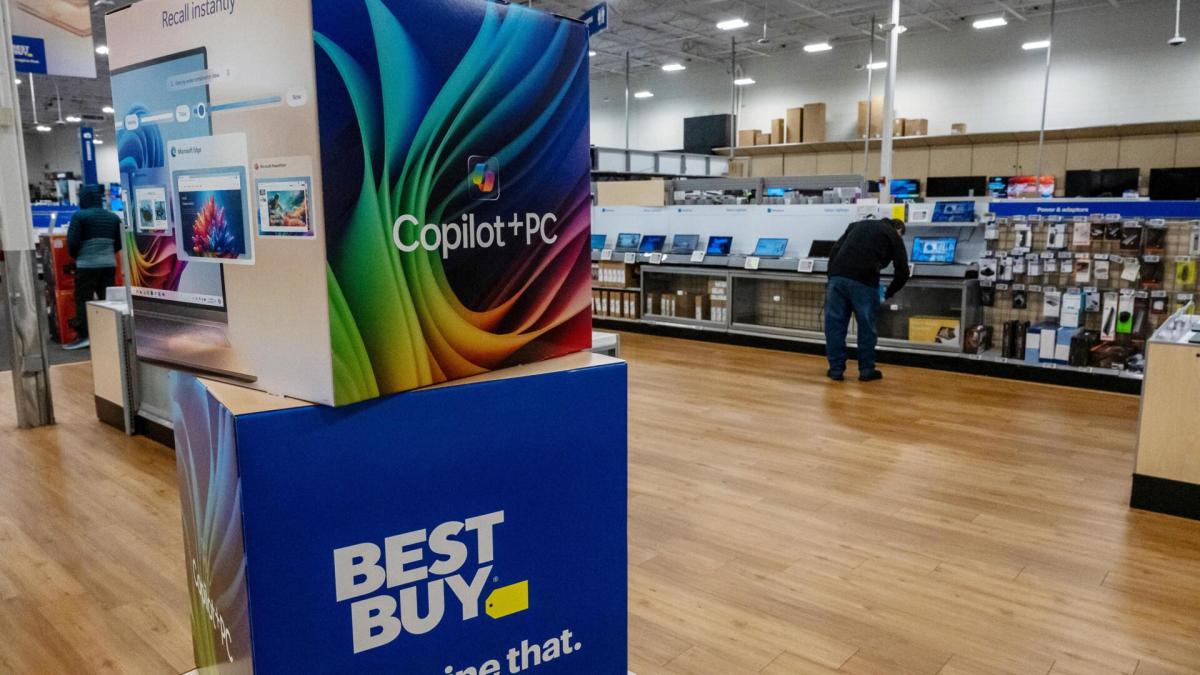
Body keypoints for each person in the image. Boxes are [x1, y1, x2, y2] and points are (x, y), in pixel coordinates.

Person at [824, 217, 910, 382]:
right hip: (864, 282)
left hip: (837, 279)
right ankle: (866, 370)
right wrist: (889, 292)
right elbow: (903, 272)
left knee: (834, 326)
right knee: (866, 328)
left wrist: (832, 277)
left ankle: (835, 370)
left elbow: (834, 251)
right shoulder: (893, 234)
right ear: (898, 229)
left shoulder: (855, 225)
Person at [64, 184, 123, 351]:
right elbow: (119, 243)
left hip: (86, 264)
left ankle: (85, 336)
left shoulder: (80, 216)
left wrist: (78, 256)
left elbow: (73, 243)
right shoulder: (113, 217)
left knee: (83, 299)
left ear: (83, 198)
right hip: (109, 264)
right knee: (108, 300)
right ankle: (111, 334)